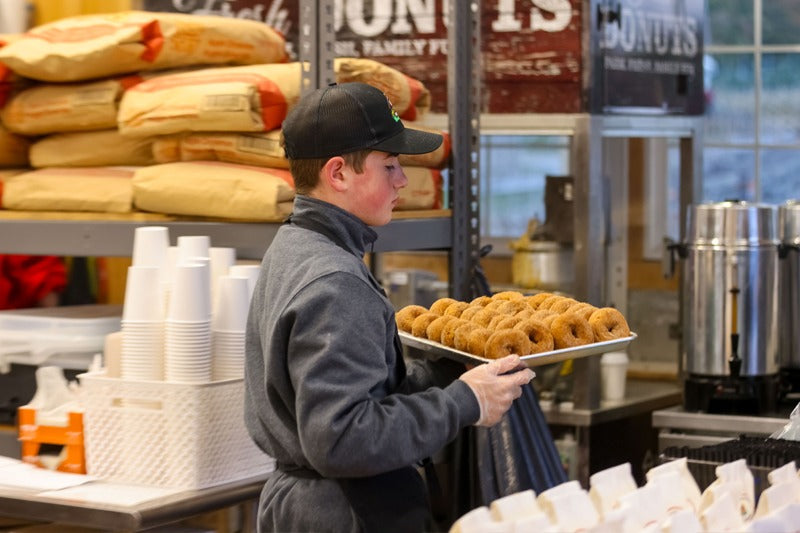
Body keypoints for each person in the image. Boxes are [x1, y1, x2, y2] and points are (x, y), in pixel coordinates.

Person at [244, 82, 535, 533]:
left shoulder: (295, 245)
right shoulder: (335, 281)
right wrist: (464, 402)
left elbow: (360, 398)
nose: (402, 180)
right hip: (344, 514)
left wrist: (445, 373)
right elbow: (341, 438)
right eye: (391, 165)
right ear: (338, 173)